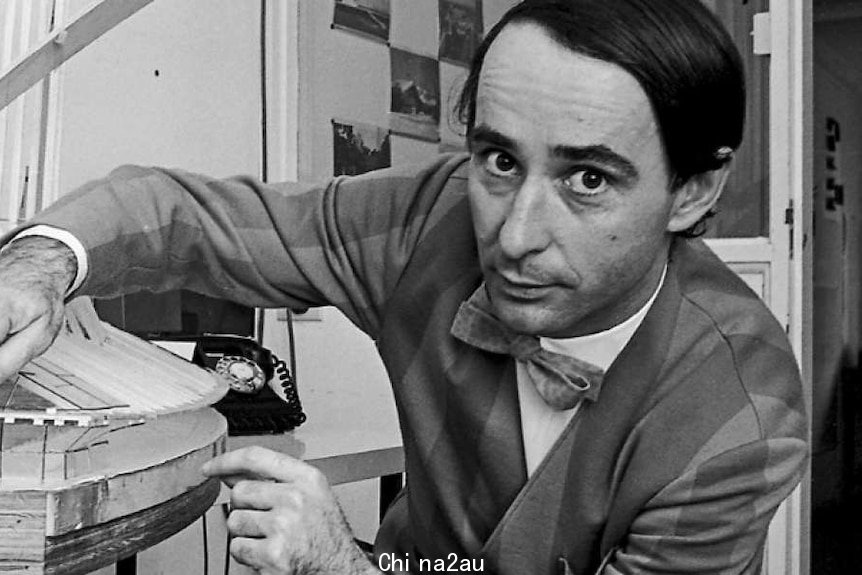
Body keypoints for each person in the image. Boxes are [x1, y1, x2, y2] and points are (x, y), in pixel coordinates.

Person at [0, 0, 807, 573]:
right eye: (498, 159)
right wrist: (38, 267)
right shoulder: (433, 220)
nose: (515, 234)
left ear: (695, 190)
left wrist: (338, 565)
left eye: (588, 178)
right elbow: (189, 217)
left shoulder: (743, 414)